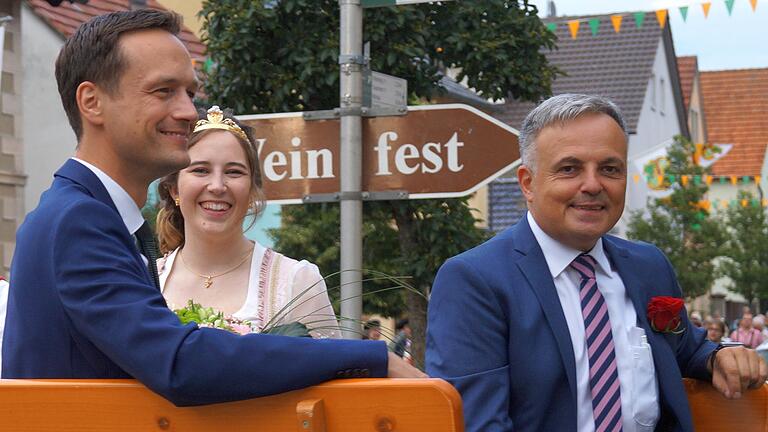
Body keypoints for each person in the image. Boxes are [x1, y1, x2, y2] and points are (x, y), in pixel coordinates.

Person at [2, 9, 424, 404]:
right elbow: (179, 364)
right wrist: (370, 358)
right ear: (92, 102)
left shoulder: (87, 213)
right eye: (163, 91)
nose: (188, 112)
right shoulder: (80, 220)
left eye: (189, 92)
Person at [426, 94, 767, 432]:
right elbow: (478, 424)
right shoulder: (474, 280)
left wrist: (718, 357)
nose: (592, 185)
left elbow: (684, 350)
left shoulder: (648, 266)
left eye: (609, 169)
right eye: (569, 168)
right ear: (528, 183)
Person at [155, 106, 338, 338]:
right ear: (174, 189)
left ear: (251, 190)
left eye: (234, 172)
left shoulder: (296, 281)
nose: (217, 186)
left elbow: (334, 369)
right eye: (201, 170)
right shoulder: (144, 282)